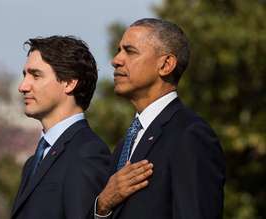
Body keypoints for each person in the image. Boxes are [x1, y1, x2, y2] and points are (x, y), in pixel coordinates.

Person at [94, 18, 226, 219]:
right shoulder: (125, 144)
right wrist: (102, 206)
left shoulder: (190, 135)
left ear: (166, 64)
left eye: (130, 51)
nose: (116, 60)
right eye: (119, 50)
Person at [11, 36, 110, 219]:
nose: (23, 86)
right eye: (25, 75)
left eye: (36, 75)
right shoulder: (33, 163)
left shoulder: (87, 153)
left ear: (69, 82)